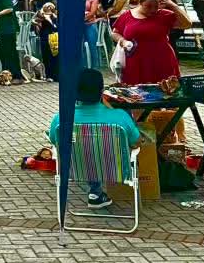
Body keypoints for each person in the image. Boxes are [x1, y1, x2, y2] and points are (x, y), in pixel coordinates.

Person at [49, 68, 140, 210]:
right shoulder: (120, 117)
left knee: (87, 151)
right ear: (101, 90)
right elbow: (136, 142)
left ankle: (95, 193)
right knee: (102, 150)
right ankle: (96, 194)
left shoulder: (61, 119)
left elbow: (55, 141)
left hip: (76, 170)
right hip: (116, 169)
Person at [112, 0, 191, 86]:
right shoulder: (127, 15)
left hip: (162, 61)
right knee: (136, 94)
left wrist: (173, 5)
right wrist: (122, 41)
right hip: (136, 63)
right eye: (148, 6)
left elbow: (187, 24)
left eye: (156, 6)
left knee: (166, 92)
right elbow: (115, 32)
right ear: (140, 2)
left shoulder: (164, 15)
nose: (153, 10)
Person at [31, 1, 59, 82]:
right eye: (47, 7)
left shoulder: (55, 17)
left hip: (55, 39)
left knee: (55, 57)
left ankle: (56, 75)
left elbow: (55, 27)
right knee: (46, 56)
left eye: (50, 7)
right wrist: (38, 23)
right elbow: (34, 21)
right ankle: (49, 75)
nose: (49, 8)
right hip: (45, 38)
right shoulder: (41, 17)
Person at [83, 0, 102, 68]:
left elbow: (92, 12)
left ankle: (95, 66)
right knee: (82, 46)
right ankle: (84, 65)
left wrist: (83, 19)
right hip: (81, 26)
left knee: (92, 46)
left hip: (90, 24)